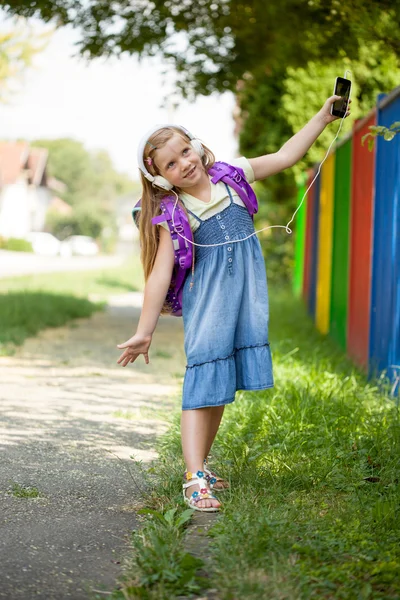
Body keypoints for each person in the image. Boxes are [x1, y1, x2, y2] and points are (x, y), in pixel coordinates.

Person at [117, 94, 351, 512]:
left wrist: (323, 115)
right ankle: (192, 479)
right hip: (210, 305)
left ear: (196, 144)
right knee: (204, 381)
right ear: (160, 178)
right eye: (171, 164)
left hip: (244, 301)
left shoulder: (234, 176)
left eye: (185, 152)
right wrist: (144, 330)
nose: (184, 164)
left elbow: (284, 155)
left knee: (220, 387)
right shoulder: (175, 213)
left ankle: (201, 467)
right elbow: (158, 274)